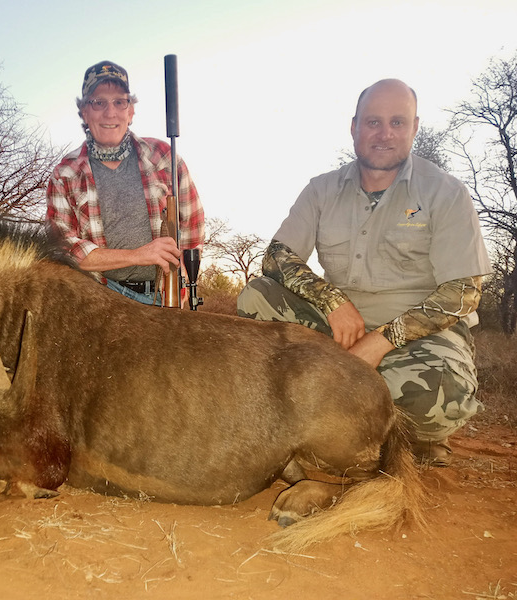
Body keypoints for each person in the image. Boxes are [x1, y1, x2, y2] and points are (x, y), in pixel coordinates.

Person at [237, 79, 492, 466]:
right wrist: (332, 301)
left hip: (418, 334)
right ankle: (336, 413)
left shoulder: (445, 191)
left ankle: (344, 417)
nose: (384, 134)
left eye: (397, 122)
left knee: (441, 400)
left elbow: (463, 293)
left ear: (414, 127)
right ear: (354, 127)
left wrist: (383, 340)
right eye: (373, 122)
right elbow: (276, 257)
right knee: (256, 295)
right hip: (339, 328)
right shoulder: (321, 189)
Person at [46, 60, 204, 305]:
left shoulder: (164, 157)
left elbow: (193, 226)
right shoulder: (64, 173)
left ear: (130, 112)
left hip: (162, 297)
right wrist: (138, 255)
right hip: (98, 296)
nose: (110, 113)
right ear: (84, 112)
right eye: (98, 102)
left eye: (119, 102)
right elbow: (63, 247)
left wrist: (180, 282)